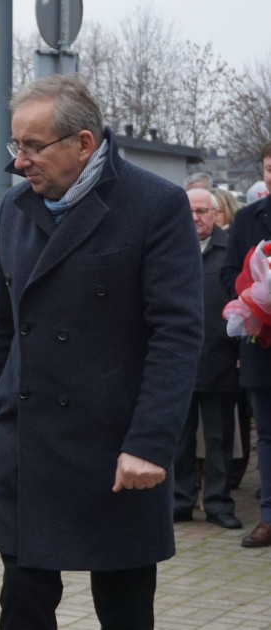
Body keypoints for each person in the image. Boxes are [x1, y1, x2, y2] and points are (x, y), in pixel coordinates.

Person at [0, 74, 203, 629]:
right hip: (28, 438)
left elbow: (176, 332)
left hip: (115, 449)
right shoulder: (15, 207)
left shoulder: (155, 204)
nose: (19, 161)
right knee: (22, 604)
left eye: (33, 146)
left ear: (83, 143)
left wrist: (150, 443)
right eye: (15, 145)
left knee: (124, 610)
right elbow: (3, 319)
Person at [173, 188, 242, 530]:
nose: (195, 218)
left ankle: (218, 503)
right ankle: (179, 501)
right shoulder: (168, 249)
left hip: (219, 358)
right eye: (190, 211)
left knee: (218, 439)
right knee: (178, 438)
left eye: (202, 211)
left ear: (216, 214)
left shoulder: (230, 251)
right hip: (176, 362)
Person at [221, 139, 271, 548]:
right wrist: (254, 294)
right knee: (267, 435)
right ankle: (269, 518)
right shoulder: (247, 219)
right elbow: (226, 276)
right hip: (261, 345)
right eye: (270, 168)